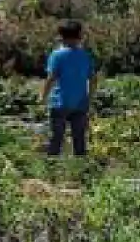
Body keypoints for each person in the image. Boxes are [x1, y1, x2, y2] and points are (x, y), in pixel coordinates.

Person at [41, 20, 98, 157]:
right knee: (79, 139)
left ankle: (52, 168)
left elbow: (52, 78)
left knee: (56, 137)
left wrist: (43, 96)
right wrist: (89, 98)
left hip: (59, 102)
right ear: (80, 36)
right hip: (80, 103)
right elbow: (93, 79)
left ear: (61, 36)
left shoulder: (57, 55)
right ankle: (81, 169)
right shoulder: (85, 55)